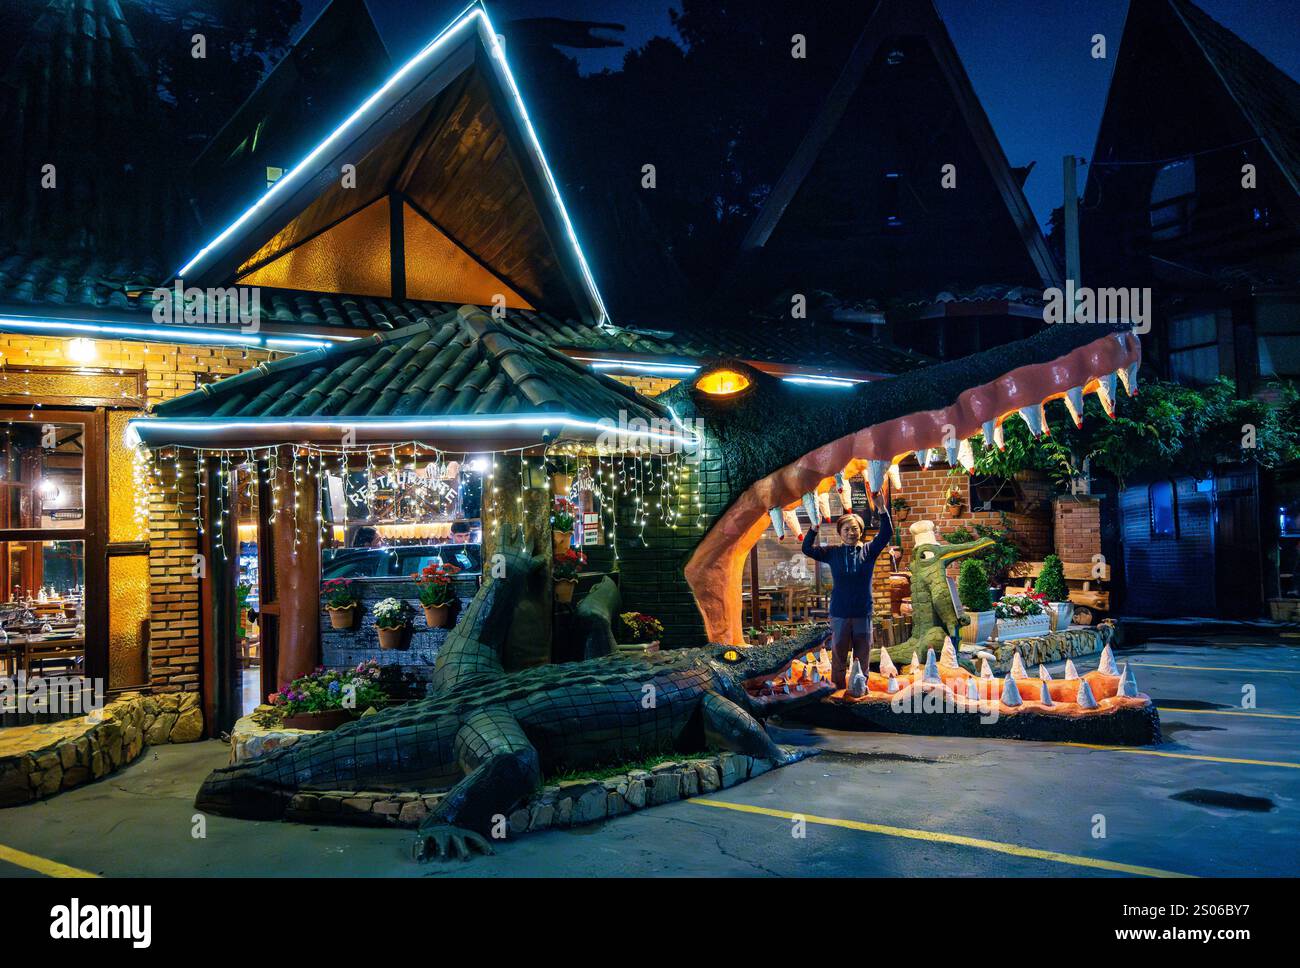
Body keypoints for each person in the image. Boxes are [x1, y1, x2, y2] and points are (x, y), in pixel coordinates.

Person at [801, 500, 893, 689]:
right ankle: (838, 690)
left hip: (863, 613)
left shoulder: (869, 551)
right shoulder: (832, 553)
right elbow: (807, 549)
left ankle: (860, 690)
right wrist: (814, 528)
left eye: (855, 529)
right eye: (846, 530)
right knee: (839, 657)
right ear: (840, 533)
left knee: (863, 657)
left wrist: (882, 509)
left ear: (860, 531)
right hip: (840, 613)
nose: (851, 533)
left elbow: (886, 533)